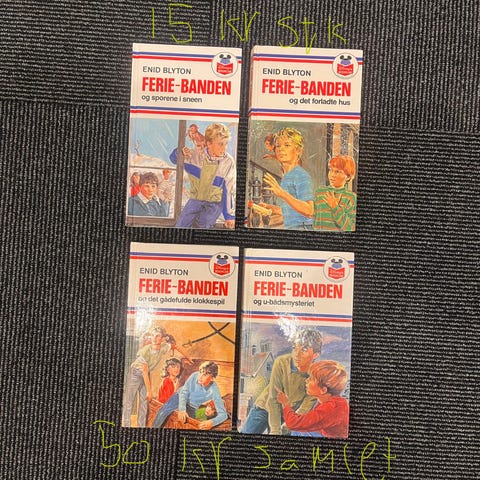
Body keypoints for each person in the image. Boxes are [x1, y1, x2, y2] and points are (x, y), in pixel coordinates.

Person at [241, 328, 323, 435]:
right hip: (264, 407)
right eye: (294, 348)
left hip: (287, 414)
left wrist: (287, 426)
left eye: (304, 350)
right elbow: (273, 400)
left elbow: (304, 408)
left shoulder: (317, 376)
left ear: (316, 354)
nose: (296, 354)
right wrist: (275, 430)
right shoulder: (281, 363)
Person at [122, 327, 192, 427]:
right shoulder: (145, 351)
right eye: (153, 335)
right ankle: (126, 426)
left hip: (146, 374)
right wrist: (149, 391)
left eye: (157, 336)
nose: (154, 338)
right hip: (135, 374)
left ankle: (141, 427)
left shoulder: (164, 347)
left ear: (162, 339)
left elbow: (176, 347)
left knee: (144, 403)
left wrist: (188, 357)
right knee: (129, 401)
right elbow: (144, 371)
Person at [170, 123, 236, 229]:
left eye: (226, 144)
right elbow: (173, 159)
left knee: (203, 225)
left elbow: (229, 190)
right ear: (209, 143)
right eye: (220, 144)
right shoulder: (195, 155)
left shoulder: (228, 162)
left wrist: (229, 216)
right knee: (180, 226)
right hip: (195, 200)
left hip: (214, 204)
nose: (224, 148)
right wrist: (180, 152)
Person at [276, 360, 349, 438]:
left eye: (311, 379)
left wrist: (285, 404)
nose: (306, 380)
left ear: (323, 390)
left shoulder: (330, 408)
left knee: (296, 430)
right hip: (327, 433)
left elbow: (293, 424)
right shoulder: (333, 401)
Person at [152, 360, 228, 430]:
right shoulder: (194, 375)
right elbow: (184, 392)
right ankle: (153, 431)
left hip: (193, 407)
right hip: (179, 396)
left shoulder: (214, 389)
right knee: (163, 411)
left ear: (212, 378)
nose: (200, 376)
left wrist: (212, 422)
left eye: (205, 374)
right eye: (200, 372)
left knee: (200, 423)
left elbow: (223, 414)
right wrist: (182, 409)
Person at [262, 127, 314, 229]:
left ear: (298, 150)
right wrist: (272, 209)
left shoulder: (301, 175)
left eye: (287, 145)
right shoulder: (287, 176)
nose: (281, 149)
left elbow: (309, 210)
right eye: (278, 146)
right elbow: (293, 210)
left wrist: (282, 193)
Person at [313, 154, 357, 231]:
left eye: (337, 172)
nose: (332, 175)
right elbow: (313, 219)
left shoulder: (351, 197)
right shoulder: (320, 192)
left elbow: (350, 228)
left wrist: (335, 207)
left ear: (348, 177)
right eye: (331, 170)